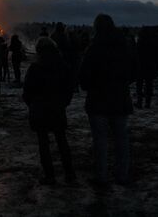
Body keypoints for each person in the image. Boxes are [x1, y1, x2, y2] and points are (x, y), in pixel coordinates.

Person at [79, 14, 135, 187]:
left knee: (101, 141)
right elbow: (133, 71)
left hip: (98, 102)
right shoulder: (124, 47)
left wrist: (92, 86)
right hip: (120, 100)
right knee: (121, 140)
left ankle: (101, 176)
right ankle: (122, 175)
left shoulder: (93, 49)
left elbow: (83, 76)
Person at [23, 37, 76, 186]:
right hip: (57, 109)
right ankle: (70, 174)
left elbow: (27, 91)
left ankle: (50, 176)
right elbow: (69, 88)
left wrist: (32, 104)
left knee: (43, 143)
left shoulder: (35, 68)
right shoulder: (63, 66)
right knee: (62, 141)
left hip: (40, 110)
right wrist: (63, 103)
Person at [135, 26, 158, 109]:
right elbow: (157, 55)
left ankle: (139, 102)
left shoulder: (140, 42)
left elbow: (136, 55)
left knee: (139, 85)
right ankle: (148, 103)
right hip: (150, 66)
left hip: (140, 66)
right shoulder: (153, 42)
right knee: (149, 85)